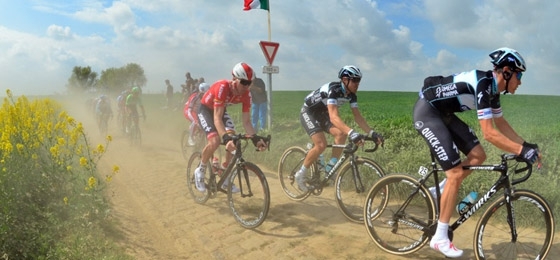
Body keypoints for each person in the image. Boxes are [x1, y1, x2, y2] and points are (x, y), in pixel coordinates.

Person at [412, 47, 540, 258]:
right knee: (454, 174)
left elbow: (501, 123)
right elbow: (489, 133)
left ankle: (441, 191)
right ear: (507, 72)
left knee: (479, 155)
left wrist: (526, 145)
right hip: (427, 112)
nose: (521, 81)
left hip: (443, 114)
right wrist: (521, 151)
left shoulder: (493, 91)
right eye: (520, 75)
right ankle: (440, 238)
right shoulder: (483, 84)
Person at [294, 65, 384, 192]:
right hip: (309, 112)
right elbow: (334, 117)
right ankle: (300, 175)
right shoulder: (334, 90)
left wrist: (372, 132)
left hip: (322, 114)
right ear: (344, 79)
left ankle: (329, 169)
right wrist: (352, 132)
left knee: (341, 135)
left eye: (359, 80)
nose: (357, 84)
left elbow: (357, 117)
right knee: (321, 144)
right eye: (354, 80)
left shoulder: (351, 95)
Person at [194, 62, 268, 193]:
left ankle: (224, 173)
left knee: (234, 139)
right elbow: (217, 118)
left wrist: (255, 139)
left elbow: (246, 122)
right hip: (205, 110)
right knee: (216, 140)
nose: (247, 86)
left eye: (249, 83)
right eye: (244, 82)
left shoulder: (246, 95)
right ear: (234, 79)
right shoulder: (223, 87)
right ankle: (200, 169)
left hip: (220, 110)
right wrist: (225, 137)